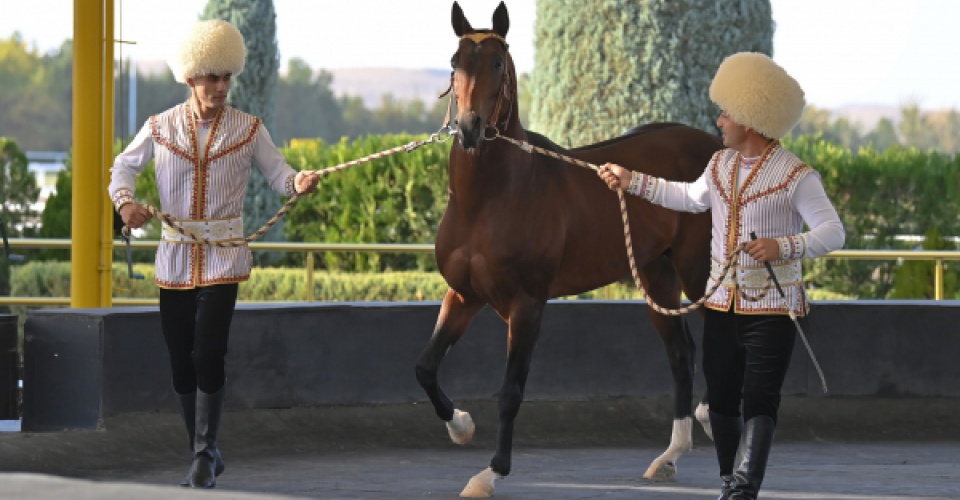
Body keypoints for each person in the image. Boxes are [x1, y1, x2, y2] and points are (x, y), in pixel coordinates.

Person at [599, 52, 844, 499]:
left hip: (773, 308)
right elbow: (688, 197)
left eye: (726, 113)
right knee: (722, 399)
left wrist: (784, 246)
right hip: (721, 305)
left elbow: (833, 232)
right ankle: (731, 480)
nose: (719, 121)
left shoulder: (797, 176)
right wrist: (632, 180)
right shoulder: (720, 165)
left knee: (760, 400)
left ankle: (743, 490)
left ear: (750, 119)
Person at [107, 19, 319, 489]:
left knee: (208, 353)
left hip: (224, 259)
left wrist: (298, 182)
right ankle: (203, 452)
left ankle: (204, 452)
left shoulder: (249, 129)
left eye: (226, 77)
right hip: (175, 257)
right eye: (211, 78)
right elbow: (123, 166)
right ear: (190, 77)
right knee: (180, 361)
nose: (221, 87)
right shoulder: (159, 127)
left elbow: (279, 173)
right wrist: (124, 203)